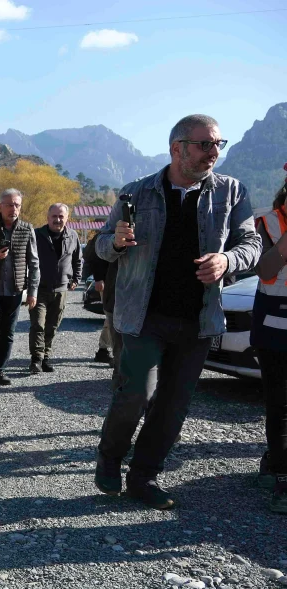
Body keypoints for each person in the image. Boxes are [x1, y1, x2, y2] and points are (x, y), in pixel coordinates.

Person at [94, 114, 261, 510]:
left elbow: (251, 244)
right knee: (136, 392)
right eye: (205, 144)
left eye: (218, 143)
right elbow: (100, 245)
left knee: (173, 406)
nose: (214, 152)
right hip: (144, 316)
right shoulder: (137, 192)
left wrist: (227, 260)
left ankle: (144, 476)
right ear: (177, 148)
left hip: (199, 320)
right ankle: (110, 457)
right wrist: (115, 243)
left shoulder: (232, 191)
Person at [252, 164, 287, 512]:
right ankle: (282, 475)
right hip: (275, 326)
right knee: (280, 404)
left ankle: (274, 461)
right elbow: (264, 270)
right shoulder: (267, 222)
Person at [0, 189, 40, 385]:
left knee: (8, 334)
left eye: (17, 205)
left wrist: (32, 292)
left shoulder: (27, 229)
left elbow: (34, 263)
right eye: (9, 205)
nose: (13, 209)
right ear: (0, 206)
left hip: (15, 291)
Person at [29, 203, 82, 373]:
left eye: (61, 216)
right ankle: (36, 359)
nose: (57, 220)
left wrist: (76, 278)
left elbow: (78, 259)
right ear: (48, 217)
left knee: (52, 326)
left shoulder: (73, 235)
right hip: (39, 289)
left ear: (67, 218)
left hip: (61, 289)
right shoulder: (36, 235)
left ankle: (45, 357)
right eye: (54, 216)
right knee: (38, 325)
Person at [83, 234, 116, 364]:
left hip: (122, 281)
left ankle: (104, 350)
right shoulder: (105, 234)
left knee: (113, 317)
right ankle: (111, 351)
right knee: (112, 316)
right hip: (108, 282)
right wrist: (98, 278)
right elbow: (93, 256)